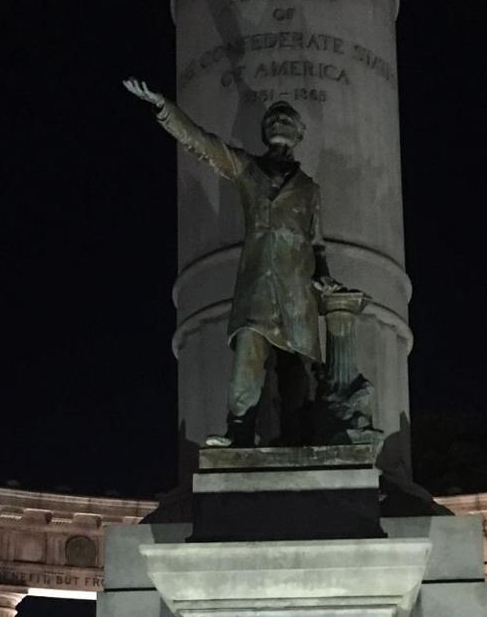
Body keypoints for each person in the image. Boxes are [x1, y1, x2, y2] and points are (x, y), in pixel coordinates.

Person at [123, 78, 339, 446]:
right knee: (247, 359)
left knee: (296, 372)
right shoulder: (247, 170)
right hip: (257, 280)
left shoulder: (309, 188)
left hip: (297, 288)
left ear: (299, 134)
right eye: (273, 119)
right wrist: (165, 108)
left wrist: (325, 278)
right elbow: (204, 144)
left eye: (285, 120)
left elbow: (316, 242)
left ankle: (297, 440)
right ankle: (239, 433)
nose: (278, 124)